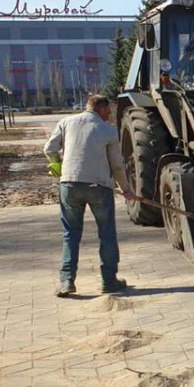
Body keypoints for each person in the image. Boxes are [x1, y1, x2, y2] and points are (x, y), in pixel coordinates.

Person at [44, 95, 137, 298]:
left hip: (69, 184)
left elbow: (49, 149)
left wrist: (57, 166)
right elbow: (117, 165)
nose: (111, 115)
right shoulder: (108, 131)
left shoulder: (66, 122)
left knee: (71, 234)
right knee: (107, 234)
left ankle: (67, 281)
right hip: (99, 187)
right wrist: (127, 189)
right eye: (109, 111)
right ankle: (109, 281)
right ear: (101, 109)